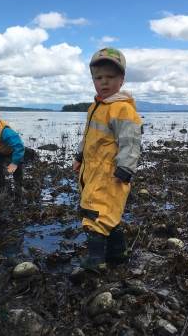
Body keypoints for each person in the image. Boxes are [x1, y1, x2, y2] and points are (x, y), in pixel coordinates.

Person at [73, 47, 142, 273]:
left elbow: (130, 142)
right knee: (108, 212)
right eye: (99, 77)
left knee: (95, 212)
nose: (104, 82)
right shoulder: (96, 106)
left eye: (110, 77)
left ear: (121, 79)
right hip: (93, 169)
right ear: (92, 79)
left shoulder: (121, 108)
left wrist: (125, 168)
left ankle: (96, 261)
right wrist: (79, 156)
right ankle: (117, 252)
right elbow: (89, 136)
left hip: (110, 172)